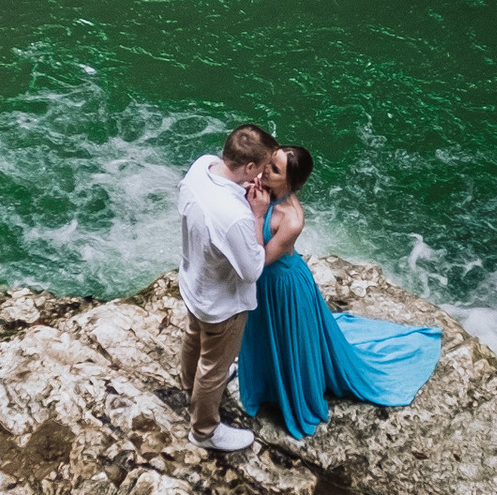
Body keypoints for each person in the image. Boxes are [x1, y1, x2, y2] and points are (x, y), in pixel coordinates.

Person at [237, 143, 443, 438]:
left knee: (287, 340)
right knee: (265, 336)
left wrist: (257, 216)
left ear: (290, 182)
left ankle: (290, 392)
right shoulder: (263, 189)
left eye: (274, 169)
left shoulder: (292, 219)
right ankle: (266, 384)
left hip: (283, 287)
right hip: (264, 286)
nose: (264, 169)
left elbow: (261, 260)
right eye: (269, 163)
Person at [176, 121, 273, 452]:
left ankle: (189, 387)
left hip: (192, 282)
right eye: (260, 167)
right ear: (248, 167)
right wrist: (257, 215)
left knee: (193, 339)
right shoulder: (236, 214)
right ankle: (203, 430)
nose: (263, 173)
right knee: (215, 368)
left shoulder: (201, 166)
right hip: (221, 303)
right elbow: (251, 270)